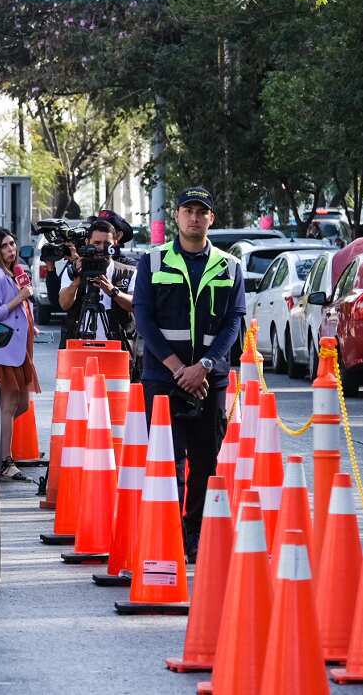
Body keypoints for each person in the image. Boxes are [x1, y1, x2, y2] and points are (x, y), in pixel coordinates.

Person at [129, 186, 244, 557]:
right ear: (176, 216)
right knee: (168, 458)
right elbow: (143, 318)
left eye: (201, 211)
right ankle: (170, 532)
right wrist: (180, 368)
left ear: (211, 218)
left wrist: (205, 367)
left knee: (206, 458)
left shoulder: (230, 266)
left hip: (211, 379)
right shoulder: (153, 261)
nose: (194, 217)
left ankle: (194, 531)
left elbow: (232, 324)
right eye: (188, 210)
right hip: (164, 378)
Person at [0, 228, 36, 481]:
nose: (10, 250)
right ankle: (5, 460)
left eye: (12, 244)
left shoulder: (13, 273)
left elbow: (20, 308)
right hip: (3, 349)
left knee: (19, 404)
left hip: (18, 348)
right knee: (9, 404)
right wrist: (19, 299)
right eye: (4, 246)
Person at [55, 217, 133, 341]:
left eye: (107, 244)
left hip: (116, 347)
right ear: (87, 242)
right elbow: (64, 304)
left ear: (115, 244)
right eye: (96, 243)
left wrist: (113, 291)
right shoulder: (73, 270)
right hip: (79, 347)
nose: (101, 248)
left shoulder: (128, 272)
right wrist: (77, 281)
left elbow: (136, 305)